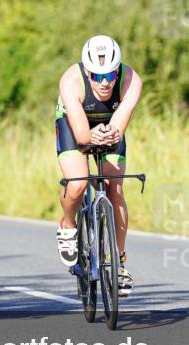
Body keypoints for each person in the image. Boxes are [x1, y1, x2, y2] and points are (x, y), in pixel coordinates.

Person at [55, 35, 143, 296]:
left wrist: (112, 133)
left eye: (110, 75)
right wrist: (90, 138)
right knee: (78, 183)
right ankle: (68, 226)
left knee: (115, 188)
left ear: (118, 70)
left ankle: (119, 264)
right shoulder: (71, 81)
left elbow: (120, 123)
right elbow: (82, 136)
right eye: (96, 76)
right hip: (74, 123)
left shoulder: (131, 81)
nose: (104, 83)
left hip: (109, 124)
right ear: (86, 71)